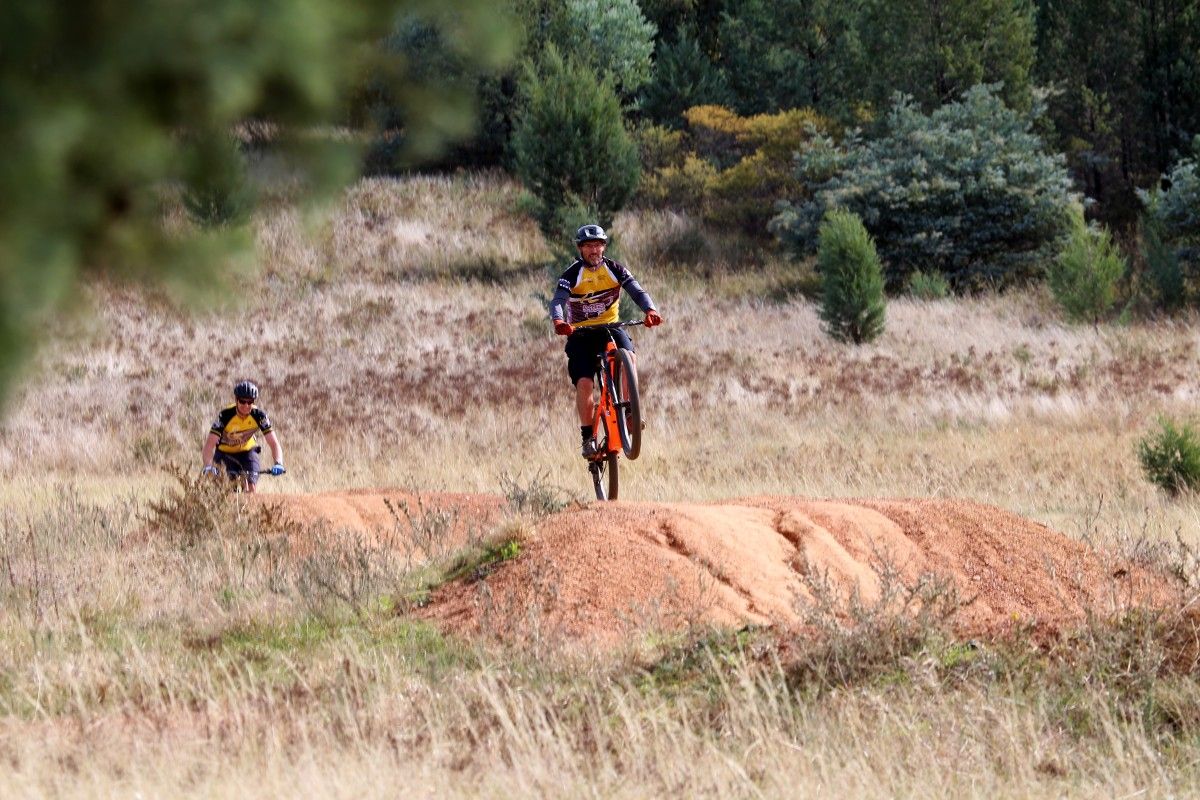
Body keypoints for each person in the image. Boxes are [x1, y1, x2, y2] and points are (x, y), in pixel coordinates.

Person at [549, 224, 663, 458]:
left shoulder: (615, 269)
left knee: (629, 356)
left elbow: (636, 291)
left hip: (610, 327)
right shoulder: (572, 274)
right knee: (585, 384)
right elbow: (559, 300)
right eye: (589, 246)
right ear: (581, 249)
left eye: (598, 245)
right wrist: (559, 320)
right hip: (581, 334)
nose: (594, 250)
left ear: (604, 247)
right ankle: (588, 436)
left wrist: (650, 309)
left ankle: (629, 413)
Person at [201, 380, 285, 492]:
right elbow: (209, 445)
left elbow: (274, 443)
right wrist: (208, 466)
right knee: (227, 491)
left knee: (251, 487)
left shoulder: (259, 416)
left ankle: (249, 508)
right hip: (225, 454)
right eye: (242, 401)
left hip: (247, 452)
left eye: (250, 402)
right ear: (236, 400)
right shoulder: (225, 415)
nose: (246, 405)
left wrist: (278, 463)